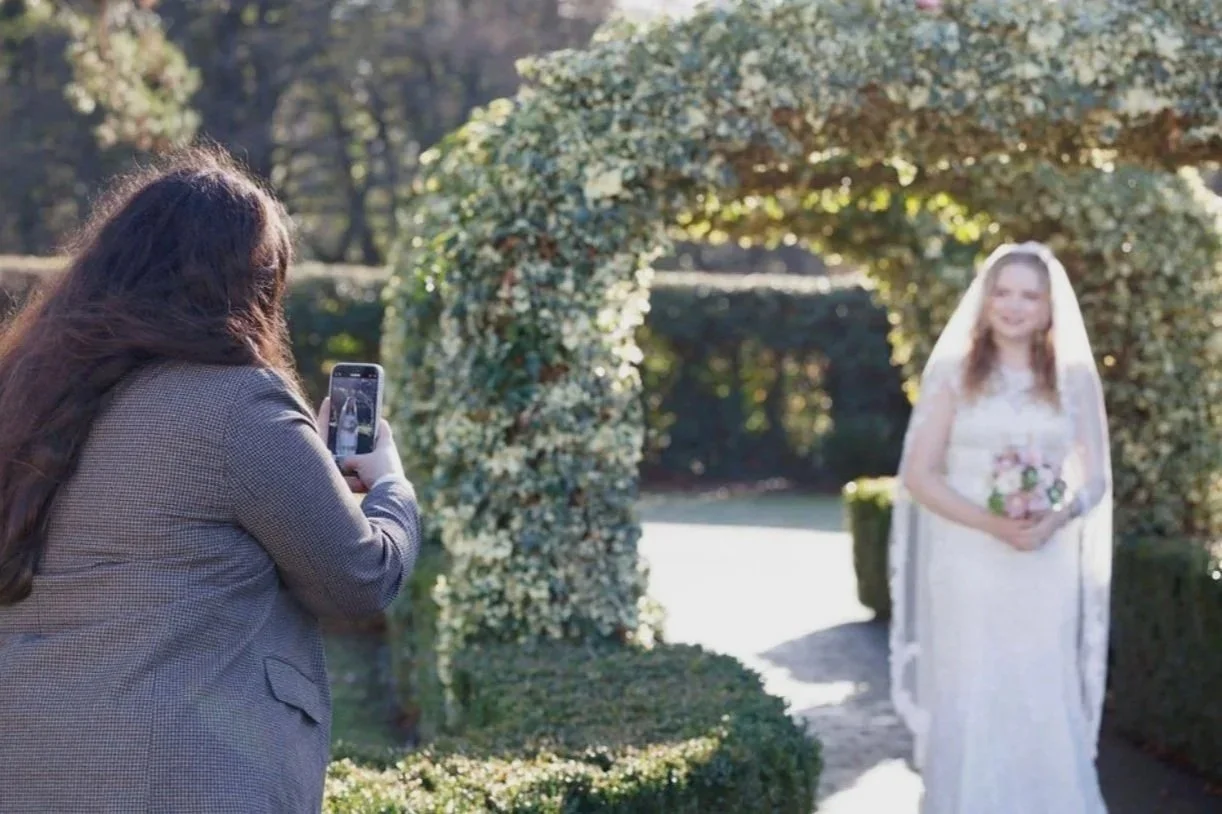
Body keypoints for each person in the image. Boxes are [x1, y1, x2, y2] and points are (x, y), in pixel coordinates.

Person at [0, 146, 420, 812]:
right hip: (178, 777)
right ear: (254, 283)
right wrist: (391, 486)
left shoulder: (23, 391)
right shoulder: (238, 405)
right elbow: (358, 578)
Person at [889, 242, 1112, 813]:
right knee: (974, 691)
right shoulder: (954, 375)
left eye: (1029, 295)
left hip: (1045, 563)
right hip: (969, 565)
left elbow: (1095, 478)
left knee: (1039, 691)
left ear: (1048, 307)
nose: (1014, 306)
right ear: (986, 300)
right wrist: (993, 523)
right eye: (1003, 292)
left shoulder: (1072, 379)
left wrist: (1053, 517)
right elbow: (919, 474)